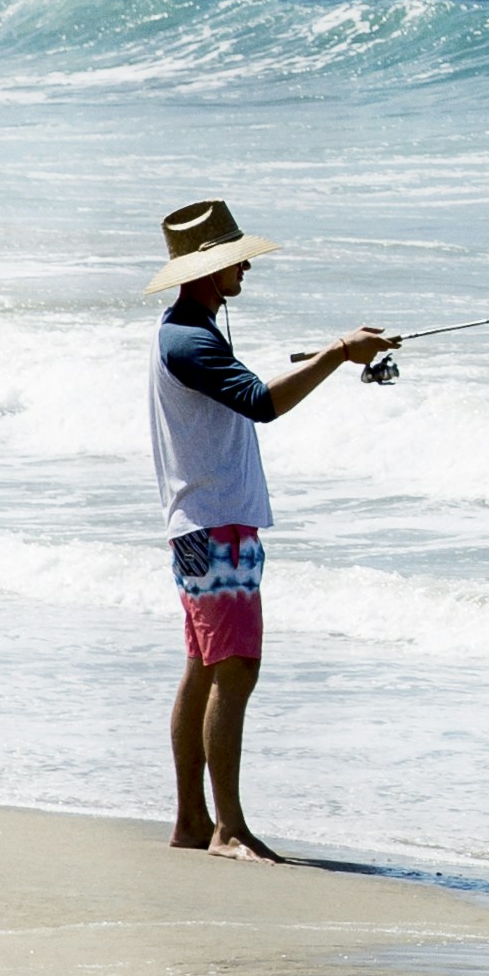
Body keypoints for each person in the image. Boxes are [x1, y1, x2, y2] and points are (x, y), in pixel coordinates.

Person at [142, 196, 394, 861]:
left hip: (201, 523)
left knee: (204, 667)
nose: (246, 269)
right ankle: (226, 828)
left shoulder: (185, 333)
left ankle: (194, 822)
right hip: (216, 524)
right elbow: (260, 403)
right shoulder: (192, 339)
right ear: (209, 269)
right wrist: (339, 353)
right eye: (236, 260)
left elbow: (244, 391)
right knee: (235, 669)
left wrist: (331, 355)